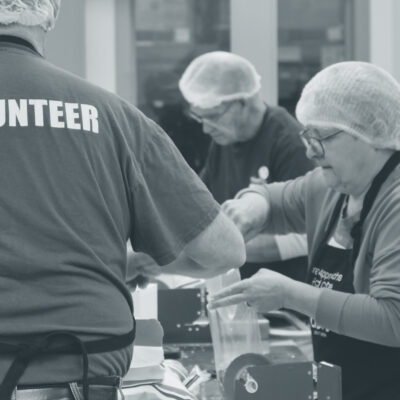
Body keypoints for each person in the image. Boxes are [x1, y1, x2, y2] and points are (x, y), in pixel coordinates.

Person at [0, 2, 246, 400]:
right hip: (84, 370)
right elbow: (223, 251)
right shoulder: (113, 115)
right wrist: (127, 261)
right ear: (49, 14)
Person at [209, 61, 400, 400]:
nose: (310, 151)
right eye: (306, 135)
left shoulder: (395, 204)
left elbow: (392, 319)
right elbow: (277, 198)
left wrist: (290, 294)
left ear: (370, 133)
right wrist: (254, 205)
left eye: (321, 137)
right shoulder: (334, 186)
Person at [179, 51, 314, 282]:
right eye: (200, 118)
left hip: (286, 297)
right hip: (243, 288)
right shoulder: (225, 139)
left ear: (243, 102)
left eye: (213, 116)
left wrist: (221, 249)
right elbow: (202, 204)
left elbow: (308, 235)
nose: (206, 128)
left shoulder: (290, 144)